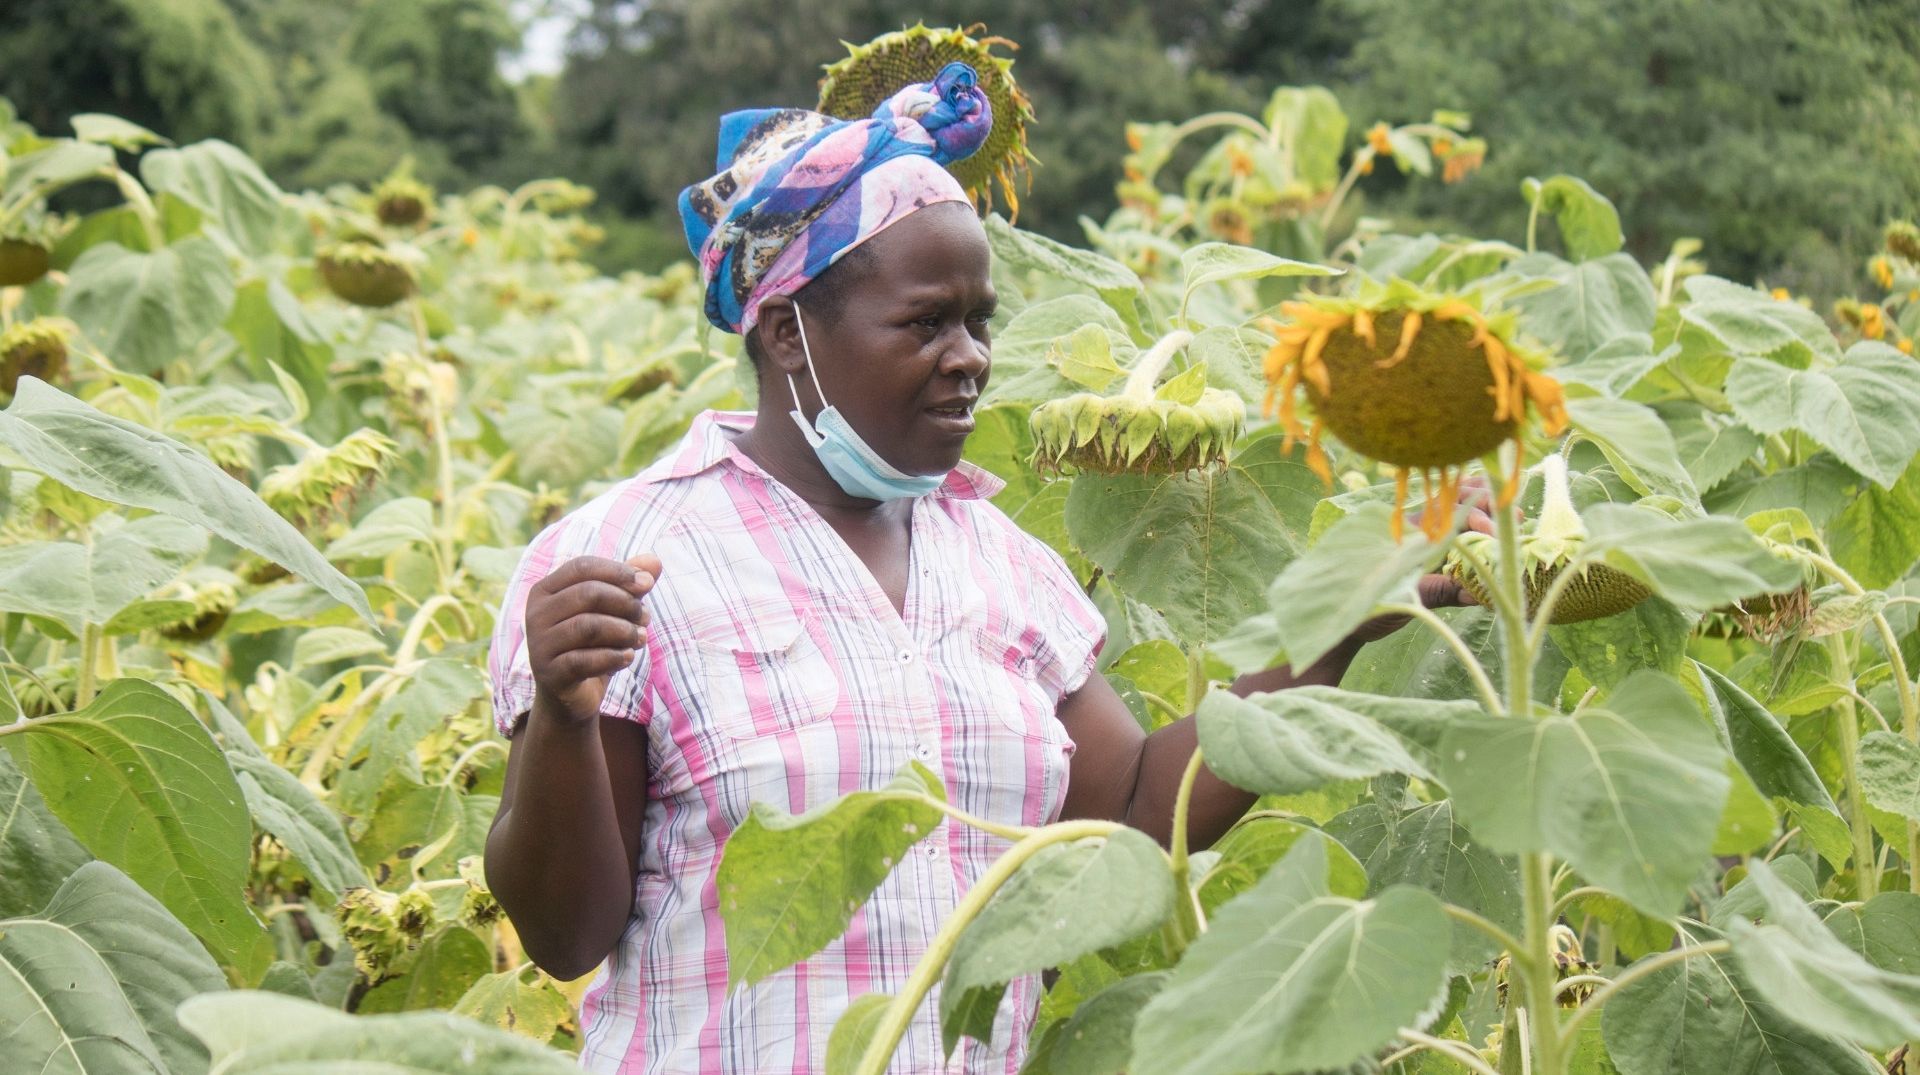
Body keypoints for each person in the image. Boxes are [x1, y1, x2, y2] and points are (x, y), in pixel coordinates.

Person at [484, 62, 1477, 1075]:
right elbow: (566, 934)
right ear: (788, 332)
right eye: (925, 322)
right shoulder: (628, 556)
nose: (969, 357)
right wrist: (563, 712)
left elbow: (1136, 810)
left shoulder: (1000, 558)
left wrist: (1343, 626)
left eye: (979, 321)